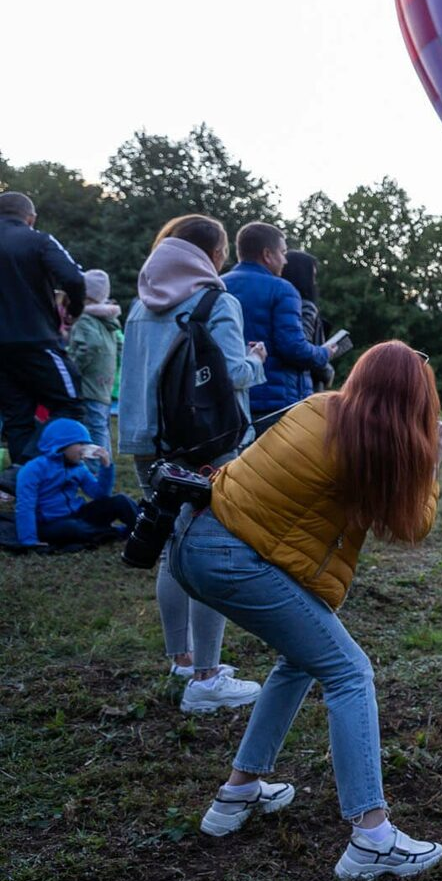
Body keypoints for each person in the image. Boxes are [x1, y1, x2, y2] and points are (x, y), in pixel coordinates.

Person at [171, 341, 442, 877]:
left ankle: (238, 792)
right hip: (232, 557)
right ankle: (372, 836)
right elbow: (413, 525)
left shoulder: (321, 407)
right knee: (349, 671)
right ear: (414, 399)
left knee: (301, 659)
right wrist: (432, 464)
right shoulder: (373, 443)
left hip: (197, 538)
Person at [119, 215, 267, 712]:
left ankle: (181, 661)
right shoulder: (216, 301)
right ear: (214, 254)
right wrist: (257, 360)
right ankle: (207, 677)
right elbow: (231, 374)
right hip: (207, 445)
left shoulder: (141, 304)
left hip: (146, 442)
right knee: (210, 550)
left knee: (171, 548)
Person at [0, 190, 86, 465]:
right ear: (31, 218)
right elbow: (74, 278)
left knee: (17, 415)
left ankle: (22, 476)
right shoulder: (39, 240)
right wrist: (73, 311)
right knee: (70, 403)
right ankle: (28, 465)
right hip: (36, 339)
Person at [224, 223, 331, 434]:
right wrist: (324, 353)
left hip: (230, 402)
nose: (285, 260)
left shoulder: (218, 285)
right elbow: (293, 348)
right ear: (267, 254)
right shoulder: (282, 289)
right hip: (277, 405)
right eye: (282, 253)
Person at [14, 418, 137, 549]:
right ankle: (115, 532)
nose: (85, 448)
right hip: (50, 523)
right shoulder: (33, 469)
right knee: (73, 529)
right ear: (62, 445)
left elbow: (100, 494)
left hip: (77, 515)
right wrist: (28, 540)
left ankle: (144, 528)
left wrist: (106, 467)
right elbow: (25, 505)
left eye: (86, 443)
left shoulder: (79, 467)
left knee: (120, 500)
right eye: (81, 443)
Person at [66, 270, 123, 454]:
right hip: (103, 383)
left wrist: (73, 369)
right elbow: (120, 345)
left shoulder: (85, 318)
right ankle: (106, 466)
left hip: (87, 384)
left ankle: (96, 465)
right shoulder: (109, 320)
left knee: (91, 429)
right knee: (101, 426)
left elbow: (89, 345)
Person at [281, 249, 336, 393]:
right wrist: (326, 365)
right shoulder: (306, 307)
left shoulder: (278, 304)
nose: (315, 282)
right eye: (313, 276)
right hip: (304, 387)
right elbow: (302, 349)